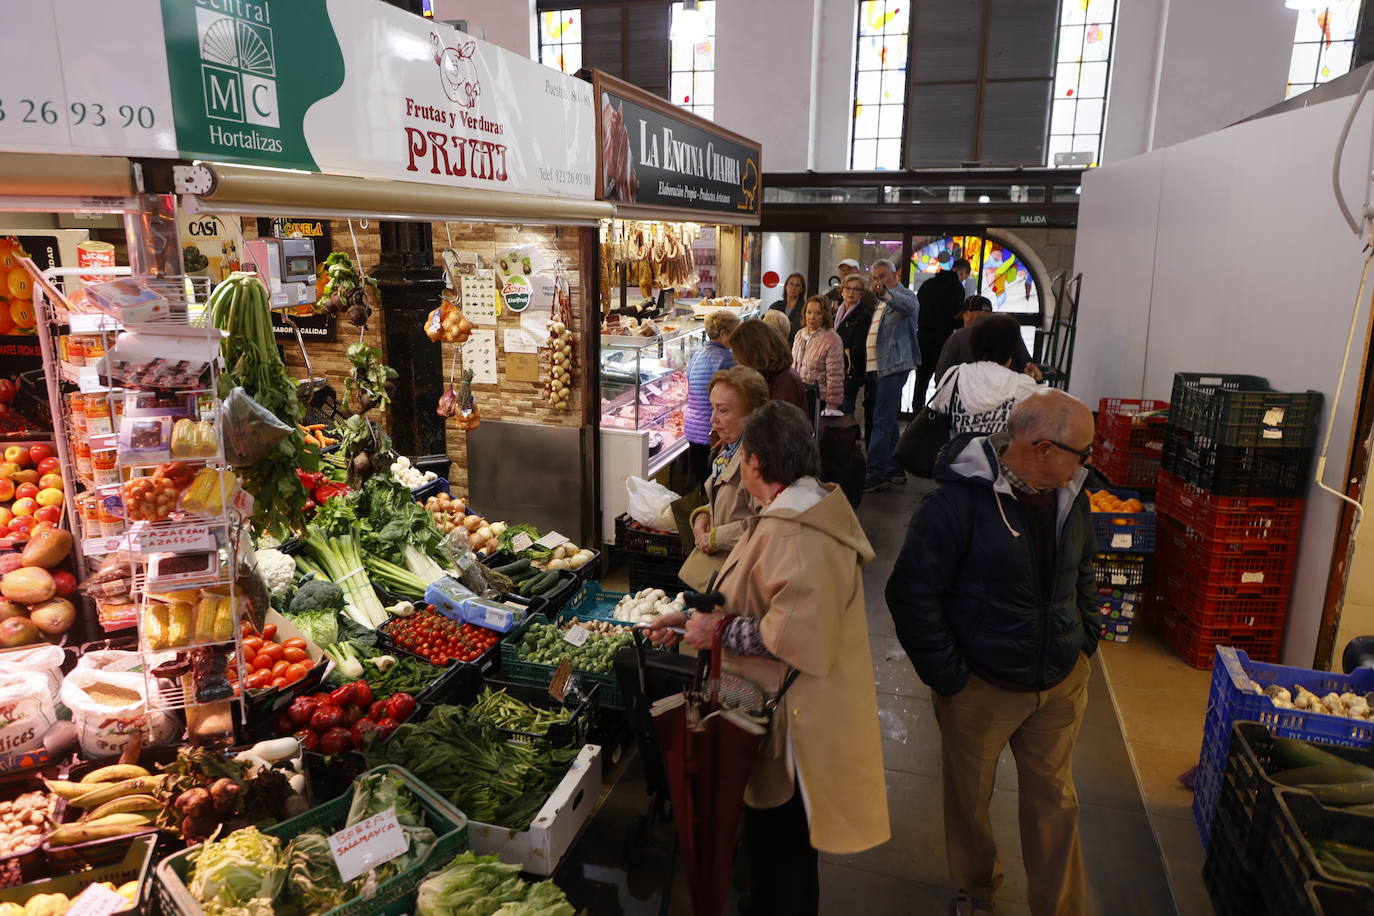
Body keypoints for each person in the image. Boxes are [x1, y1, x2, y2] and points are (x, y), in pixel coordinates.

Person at [649, 400, 891, 916]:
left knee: (784, 863)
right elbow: (754, 597)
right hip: (783, 714)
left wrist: (715, 630)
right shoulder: (794, 510)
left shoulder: (798, 530)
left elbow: (794, 635)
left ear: (757, 464)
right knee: (774, 854)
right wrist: (688, 620)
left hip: (794, 729)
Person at [885, 389, 1099, 916]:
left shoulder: (1074, 496)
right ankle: (978, 889)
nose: (1090, 464)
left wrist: (1085, 640)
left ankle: (1061, 908)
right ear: (1043, 448)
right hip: (980, 687)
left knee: (1056, 804)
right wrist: (950, 676)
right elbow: (911, 592)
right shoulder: (956, 504)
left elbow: (1086, 570)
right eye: (1083, 452)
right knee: (970, 803)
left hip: (1059, 682)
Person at [680, 366, 770, 589]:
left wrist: (716, 538)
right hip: (723, 573)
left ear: (751, 415)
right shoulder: (728, 448)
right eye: (713, 408)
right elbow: (728, 501)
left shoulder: (759, 463)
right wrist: (703, 516)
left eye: (723, 411)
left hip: (745, 580)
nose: (713, 419)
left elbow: (769, 527)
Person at [928, 314, 1042, 436]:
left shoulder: (954, 376)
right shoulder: (1024, 386)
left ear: (975, 343)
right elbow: (1034, 427)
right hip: (1001, 454)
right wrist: (1033, 383)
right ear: (1014, 349)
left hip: (957, 453)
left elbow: (936, 414)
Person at [863, 259, 919, 492]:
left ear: (894, 275)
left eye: (883, 276)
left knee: (881, 421)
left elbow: (906, 307)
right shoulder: (878, 300)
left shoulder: (904, 295)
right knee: (887, 419)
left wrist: (886, 293)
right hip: (878, 367)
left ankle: (875, 472)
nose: (878, 281)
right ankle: (893, 468)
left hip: (893, 365)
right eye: (875, 278)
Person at [683, 310, 740, 485]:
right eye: (735, 333)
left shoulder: (698, 353)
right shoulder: (726, 358)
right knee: (712, 480)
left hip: (692, 426)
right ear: (723, 333)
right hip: (711, 429)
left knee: (699, 476)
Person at [933, 296, 1041, 383]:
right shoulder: (1009, 333)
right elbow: (1027, 367)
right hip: (1005, 400)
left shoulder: (957, 337)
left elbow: (941, 377)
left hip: (965, 403)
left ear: (967, 315)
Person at [915, 257, 971, 405]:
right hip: (943, 340)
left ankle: (916, 417)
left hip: (923, 337)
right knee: (943, 380)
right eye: (965, 276)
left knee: (921, 380)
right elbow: (956, 316)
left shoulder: (928, 284)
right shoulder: (957, 288)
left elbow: (917, 308)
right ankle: (937, 415)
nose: (964, 279)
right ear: (962, 272)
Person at [729, 319, 808, 413]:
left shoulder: (785, 382)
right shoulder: (770, 377)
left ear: (752, 355)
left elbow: (774, 424)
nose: (737, 363)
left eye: (739, 358)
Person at [791, 295, 845, 416]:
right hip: (797, 395)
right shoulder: (800, 335)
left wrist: (832, 405)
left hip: (818, 400)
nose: (812, 317)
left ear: (825, 315)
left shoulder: (832, 339)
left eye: (818, 313)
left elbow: (835, 375)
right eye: (809, 312)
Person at [833, 273, 873, 428]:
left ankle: (847, 446)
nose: (851, 292)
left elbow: (857, 349)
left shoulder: (863, 316)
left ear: (861, 294)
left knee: (846, 412)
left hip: (850, 371)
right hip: (834, 369)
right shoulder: (836, 312)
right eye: (848, 288)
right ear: (842, 291)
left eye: (856, 289)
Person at [768, 272, 807, 343]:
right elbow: (767, 325)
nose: (793, 288)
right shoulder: (775, 306)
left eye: (797, 285)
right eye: (791, 284)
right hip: (775, 344)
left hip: (795, 345)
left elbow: (799, 329)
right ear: (785, 286)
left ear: (801, 290)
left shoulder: (805, 308)